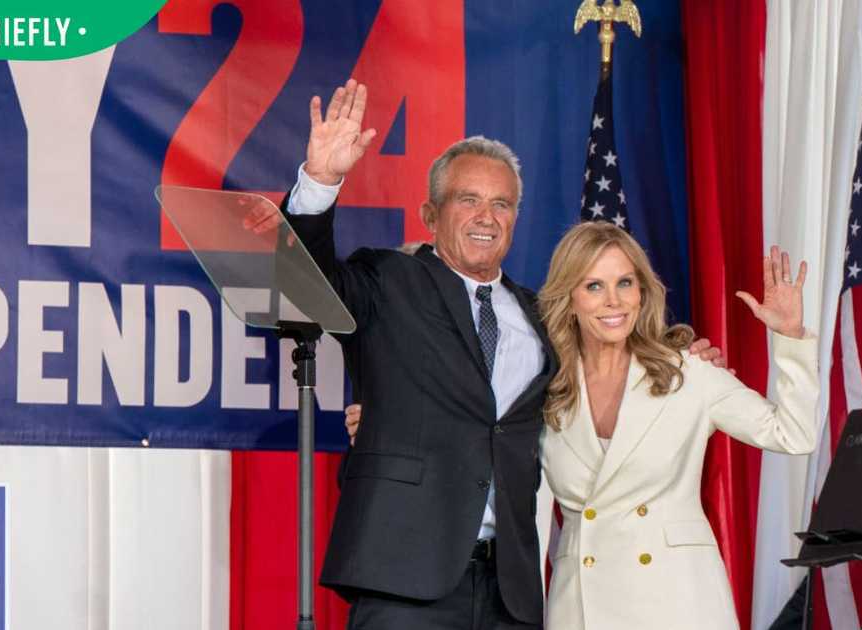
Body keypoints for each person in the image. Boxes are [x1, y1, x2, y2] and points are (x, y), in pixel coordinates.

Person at [253, 79, 726, 630]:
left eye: (501, 203)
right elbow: (301, 285)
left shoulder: (542, 314)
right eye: (468, 200)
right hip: (405, 578)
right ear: (431, 213)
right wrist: (321, 180)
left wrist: (679, 363)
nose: (486, 216)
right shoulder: (387, 281)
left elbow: (604, 368)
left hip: (512, 590)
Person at [536, 222, 818, 629]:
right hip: (579, 607)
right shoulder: (546, 389)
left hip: (679, 603)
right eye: (593, 286)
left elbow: (794, 434)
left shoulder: (689, 374)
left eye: (625, 282)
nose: (613, 301)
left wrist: (790, 337)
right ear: (570, 299)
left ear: (642, 291)